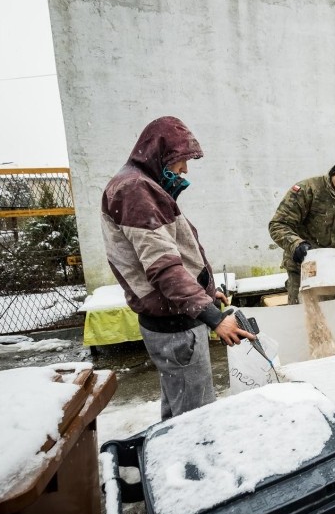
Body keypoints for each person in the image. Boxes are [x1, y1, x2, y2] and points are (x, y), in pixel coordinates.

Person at [100, 116, 256, 421]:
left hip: (173, 316)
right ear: (158, 153)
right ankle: (195, 467)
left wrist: (209, 291)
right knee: (196, 418)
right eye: (180, 161)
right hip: (175, 324)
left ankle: (172, 463)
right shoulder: (135, 190)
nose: (184, 170)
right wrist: (213, 317)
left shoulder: (141, 185)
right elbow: (164, 267)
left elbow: (175, 250)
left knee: (179, 407)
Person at [268, 157, 335, 304]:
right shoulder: (308, 190)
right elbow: (278, 224)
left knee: (334, 319)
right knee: (302, 316)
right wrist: (296, 245)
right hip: (303, 269)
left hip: (333, 272)